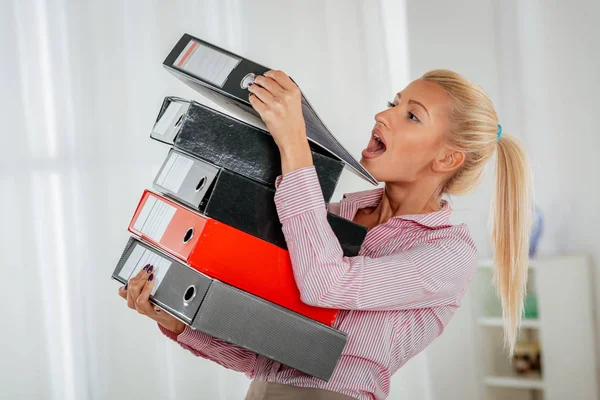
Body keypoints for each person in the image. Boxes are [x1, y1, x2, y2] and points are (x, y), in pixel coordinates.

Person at [119, 69, 532, 400]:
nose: (382, 115)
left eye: (411, 115)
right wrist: (178, 322)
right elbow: (266, 358)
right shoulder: (333, 216)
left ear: (447, 158)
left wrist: (295, 147)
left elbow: (326, 284)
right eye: (393, 103)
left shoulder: (447, 255)